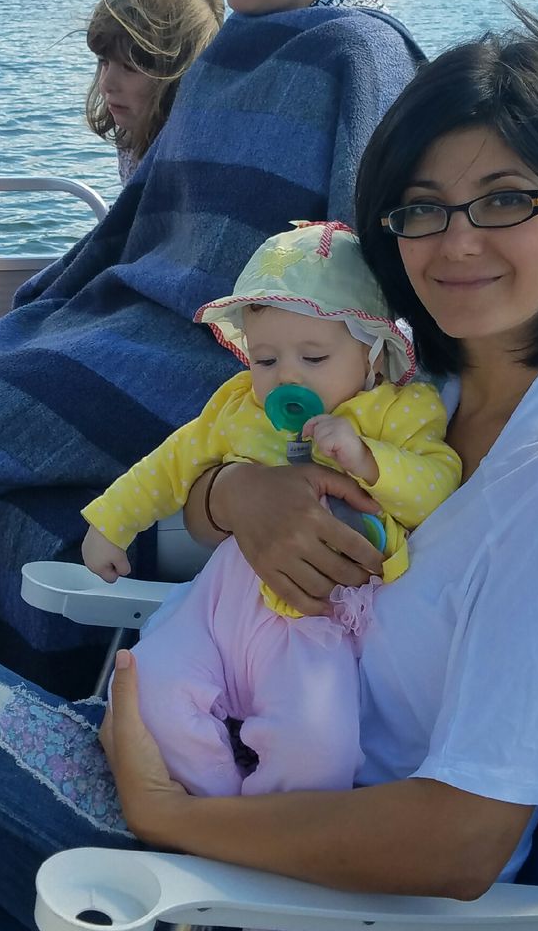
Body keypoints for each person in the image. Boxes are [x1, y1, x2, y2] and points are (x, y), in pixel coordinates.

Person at [0, 9, 538, 929]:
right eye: (421, 207)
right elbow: (216, 484)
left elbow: (461, 844)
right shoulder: (421, 379)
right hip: (201, 736)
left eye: (505, 199)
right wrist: (236, 495)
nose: (456, 243)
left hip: (252, 872)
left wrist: (168, 816)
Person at [0, 0, 424, 698]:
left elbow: (374, 288)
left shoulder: (361, 56)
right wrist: (41, 310)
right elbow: (133, 225)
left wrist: (317, 438)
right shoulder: (228, 51)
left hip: (213, 367)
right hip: (117, 329)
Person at [80, 220, 461, 797]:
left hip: (313, 619)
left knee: (318, 748)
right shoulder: (238, 408)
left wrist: (369, 459)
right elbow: (170, 463)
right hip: (218, 602)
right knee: (146, 692)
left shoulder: (397, 413)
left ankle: (261, 821)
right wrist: (111, 523)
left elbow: (439, 487)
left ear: (375, 354)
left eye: (314, 357)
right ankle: (212, 798)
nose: (286, 377)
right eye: (264, 360)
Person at [84, 0, 225, 185]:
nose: (106, 84)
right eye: (104, 62)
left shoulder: (195, 164)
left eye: (129, 68)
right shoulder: (133, 136)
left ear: (179, 77)